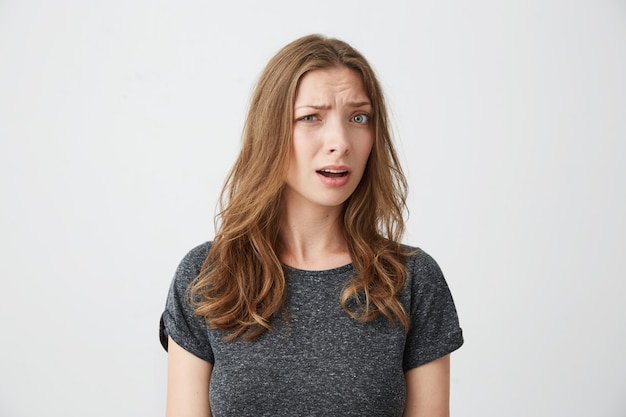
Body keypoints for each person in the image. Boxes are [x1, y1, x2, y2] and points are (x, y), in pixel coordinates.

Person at [160, 34, 463, 417]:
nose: (340, 142)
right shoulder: (207, 276)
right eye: (310, 118)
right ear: (270, 131)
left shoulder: (410, 280)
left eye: (359, 117)